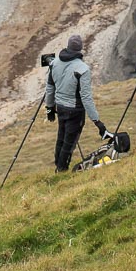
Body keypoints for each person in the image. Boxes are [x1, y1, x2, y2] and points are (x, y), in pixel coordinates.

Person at [45, 34, 105, 172]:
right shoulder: (83, 69)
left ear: (67, 46)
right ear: (80, 49)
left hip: (60, 107)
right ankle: (61, 170)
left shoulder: (54, 63)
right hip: (75, 110)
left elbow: (50, 88)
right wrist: (97, 121)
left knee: (61, 136)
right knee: (69, 142)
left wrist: (49, 108)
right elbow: (86, 97)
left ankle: (58, 166)